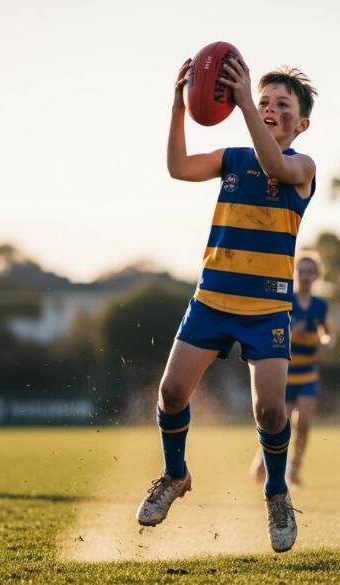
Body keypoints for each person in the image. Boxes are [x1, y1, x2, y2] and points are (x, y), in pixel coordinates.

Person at [135, 56, 317, 553]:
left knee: (271, 407)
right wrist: (178, 107)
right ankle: (175, 476)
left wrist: (244, 108)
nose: (269, 109)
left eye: (282, 104)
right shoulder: (231, 158)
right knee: (172, 392)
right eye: (263, 101)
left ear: (301, 123)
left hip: (266, 310)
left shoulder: (302, 167)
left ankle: (276, 492)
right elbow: (177, 168)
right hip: (212, 299)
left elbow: (276, 163)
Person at [250, 252, 333, 487]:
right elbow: (277, 330)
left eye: (310, 272)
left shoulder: (320, 305)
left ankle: (295, 468)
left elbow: (327, 331)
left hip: (308, 374)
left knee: (304, 423)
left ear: (317, 276)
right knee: (277, 423)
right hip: (283, 373)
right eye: (301, 271)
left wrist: (328, 340)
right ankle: (261, 457)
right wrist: (293, 330)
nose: (305, 276)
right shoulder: (287, 300)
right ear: (294, 274)